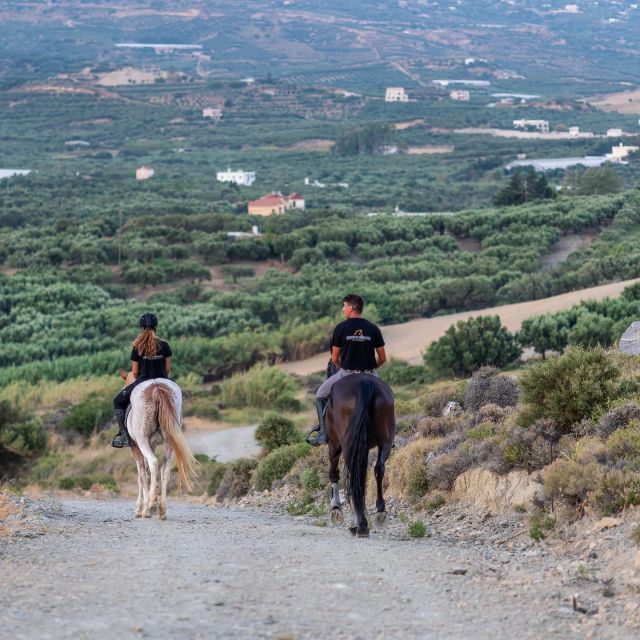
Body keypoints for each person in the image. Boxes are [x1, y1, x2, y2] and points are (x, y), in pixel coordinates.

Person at [307, 294, 386, 446]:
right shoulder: (373, 328)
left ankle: (323, 433)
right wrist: (370, 368)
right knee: (387, 396)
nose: (343, 309)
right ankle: (388, 434)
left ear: (351, 308)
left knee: (320, 395)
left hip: (347, 372)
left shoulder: (341, 328)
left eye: (344, 306)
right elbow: (382, 358)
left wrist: (344, 368)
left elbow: (335, 358)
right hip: (370, 373)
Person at [112, 313, 172, 448]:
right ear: (156, 326)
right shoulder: (165, 345)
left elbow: (134, 372)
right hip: (163, 380)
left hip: (143, 381)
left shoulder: (137, 347)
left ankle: (124, 436)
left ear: (141, 327)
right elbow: (168, 369)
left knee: (117, 401)